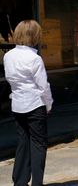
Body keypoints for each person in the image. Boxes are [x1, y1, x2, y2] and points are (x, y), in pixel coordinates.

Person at [3, 19, 53, 186]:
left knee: (23, 142)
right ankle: (37, 183)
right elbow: (43, 86)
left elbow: (11, 80)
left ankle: (19, 181)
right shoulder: (34, 58)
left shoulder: (8, 56)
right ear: (35, 36)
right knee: (38, 144)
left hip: (17, 104)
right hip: (34, 104)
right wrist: (49, 104)